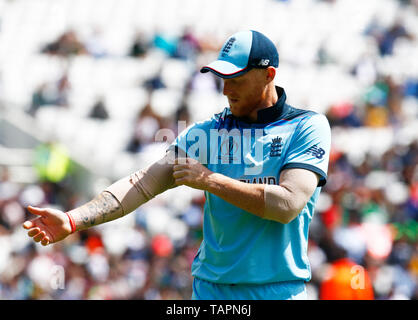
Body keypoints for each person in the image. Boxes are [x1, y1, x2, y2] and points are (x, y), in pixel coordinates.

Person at [23, 30, 331, 300]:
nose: (225, 90)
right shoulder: (209, 132)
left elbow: (288, 204)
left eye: (236, 79)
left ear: (268, 75)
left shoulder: (306, 127)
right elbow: (143, 183)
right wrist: (73, 219)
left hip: (278, 291)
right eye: (222, 79)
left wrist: (210, 180)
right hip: (212, 291)